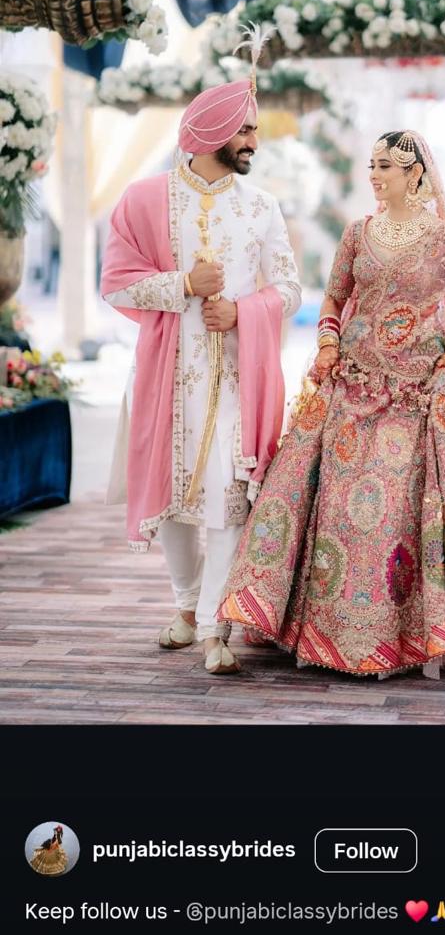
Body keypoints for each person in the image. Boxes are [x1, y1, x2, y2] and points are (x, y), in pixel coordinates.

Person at [219, 130, 445, 678]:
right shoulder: (357, 234)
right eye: (372, 165)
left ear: (415, 174)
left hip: (419, 394)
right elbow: (334, 297)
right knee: (338, 508)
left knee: (399, 509)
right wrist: (328, 342)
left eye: (386, 166)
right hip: (351, 388)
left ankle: (413, 633)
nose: (375, 175)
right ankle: (330, 631)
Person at [100, 33, 301, 675]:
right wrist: (184, 284)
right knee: (174, 501)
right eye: (244, 129)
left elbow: (289, 287)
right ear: (211, 130)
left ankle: (216, 625)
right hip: (165, 378)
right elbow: (116, 284)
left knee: (228, 499)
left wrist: (243, 310)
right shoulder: (144, 200)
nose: (253, 141)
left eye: (253, 129)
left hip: (239, 377)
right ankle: (186, 606)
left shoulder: (261, 206)